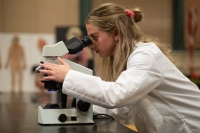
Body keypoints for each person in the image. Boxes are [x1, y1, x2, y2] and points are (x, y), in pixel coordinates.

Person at [39, 3, 200, 133]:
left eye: (94, 37)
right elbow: (129, 106)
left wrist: (68, 76)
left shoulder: (144, 56)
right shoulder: (129, 58)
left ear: (116, 33)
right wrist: (86, 109)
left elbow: (118, 95)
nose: (91, 43)